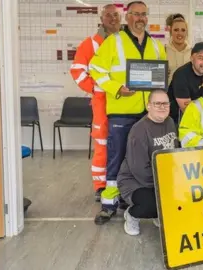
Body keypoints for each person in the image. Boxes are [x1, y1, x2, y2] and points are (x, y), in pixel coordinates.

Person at [89, 0, 167, 225]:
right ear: (127, 17)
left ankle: (134, 198)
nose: (140, 18)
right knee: (117, 156)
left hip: (148, 113)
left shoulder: (155, 45)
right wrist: (117, 88)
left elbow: (161, 77)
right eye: (135, 14)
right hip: (122, 110)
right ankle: (109, 203)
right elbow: (96, 70)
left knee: (145, 159)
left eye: (144, 14)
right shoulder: (113, 42)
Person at [69, 4, 121, 201]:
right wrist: (96, 88)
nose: (113, 19)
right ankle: (101, 186)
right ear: (101, 18)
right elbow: (77, 70)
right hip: (102, 102)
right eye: (109, 15)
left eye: (116, 15)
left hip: (125, 99)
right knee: (103, 143)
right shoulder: (90, 44)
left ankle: (121, 184)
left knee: (124, 142)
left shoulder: (126, 41)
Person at [117, 90, 178, 235]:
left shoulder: (170, 122)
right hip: (135, 180)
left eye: (165, 103)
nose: (162, 107)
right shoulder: (139, 130)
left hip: (160, 177)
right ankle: (132, 215)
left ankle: (158, 214)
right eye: (157, 103)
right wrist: (161, 187)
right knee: (153, 205)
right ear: (148, 106)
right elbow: (139, 169)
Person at [168, 42, 203, 126]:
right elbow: (187, 110)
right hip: (180, 119)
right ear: (192, 59)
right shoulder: (181, 75)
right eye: (200, 58)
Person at [165, 13, 191, 84]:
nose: (180, 33)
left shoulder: (193, 52)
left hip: (188, 94)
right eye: (176, 30)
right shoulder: (163, 51)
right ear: (171, 32)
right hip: (167, 94)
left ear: (186, 32)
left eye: (183, 30)